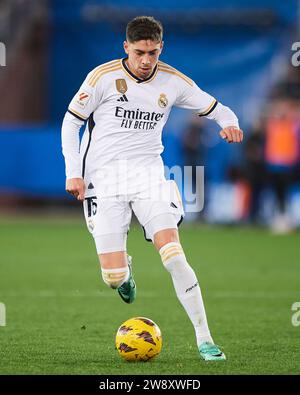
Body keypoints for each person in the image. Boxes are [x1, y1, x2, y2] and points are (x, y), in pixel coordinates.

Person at [61, 16, 243, 361]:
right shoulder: (102, 78)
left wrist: (231, 123)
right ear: (126, 47)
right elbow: (72, 122)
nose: (147, 60)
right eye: (140, 52)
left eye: (153, 53)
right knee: (113, 278)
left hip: (149, 178)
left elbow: (219, 109)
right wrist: (74, 172)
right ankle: (124, 273)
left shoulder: (173, 81)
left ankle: (205, 339)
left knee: (173, 255)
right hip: (105, 181)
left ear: (161, 48)